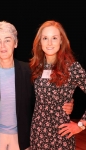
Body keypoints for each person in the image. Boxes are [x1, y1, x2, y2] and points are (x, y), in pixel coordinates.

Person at [0, 21, 73, 150]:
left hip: (22, 139)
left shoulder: (30, 71)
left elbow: (45, 95)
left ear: (15, 43)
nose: (3, 46)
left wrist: (68, 101)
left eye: (8, 40)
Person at [30, 20, 86, 150]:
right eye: (45, 38)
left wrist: (81, 125)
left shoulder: (71, 67)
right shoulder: (36, 67)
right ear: (40, 42)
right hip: (38, 134)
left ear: (61, 41)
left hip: (61, 134)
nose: (49, 43)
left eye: (54, 38)